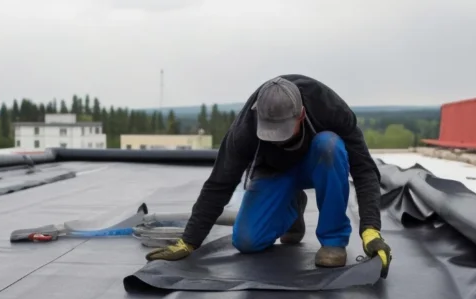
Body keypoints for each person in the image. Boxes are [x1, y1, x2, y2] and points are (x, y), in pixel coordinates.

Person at [145, 75, 391, 276]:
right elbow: (220, 183)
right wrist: (190, 240)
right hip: (273, 170)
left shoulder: (328, 107)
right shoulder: (245, 128)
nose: (277, 136)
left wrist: (370, 229)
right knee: (247, 242)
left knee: (330, 145)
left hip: (317, 163)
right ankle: (293, 206)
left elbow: (364, 168)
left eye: (284, 129)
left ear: (301, 114)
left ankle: (333, 241)